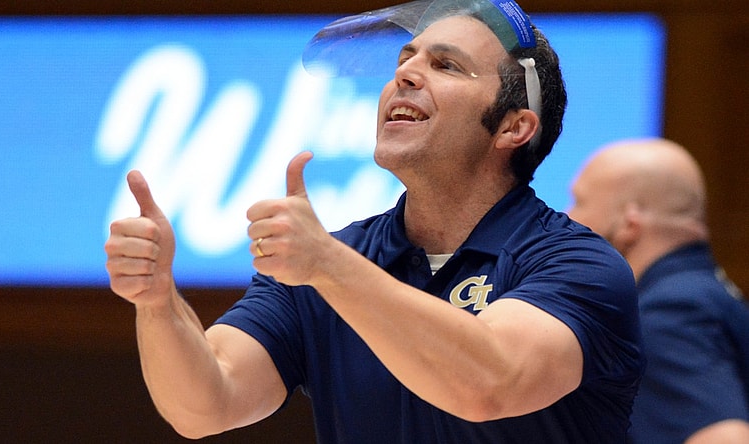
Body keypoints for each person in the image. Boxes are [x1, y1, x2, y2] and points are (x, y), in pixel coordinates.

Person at [104, 1, 644, 442]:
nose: (405, 73)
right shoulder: (326, 262)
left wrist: (328, 266)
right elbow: (206, 404)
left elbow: (491, 382)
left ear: (513, 127)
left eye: (446, 65)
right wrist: (157, 303)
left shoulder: (580, 265)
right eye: (406, 58)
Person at [568, 137, 749, 444]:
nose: (567, 218)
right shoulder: (706, 292)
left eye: (579, 202)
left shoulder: (667, 316)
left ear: (629, 222)